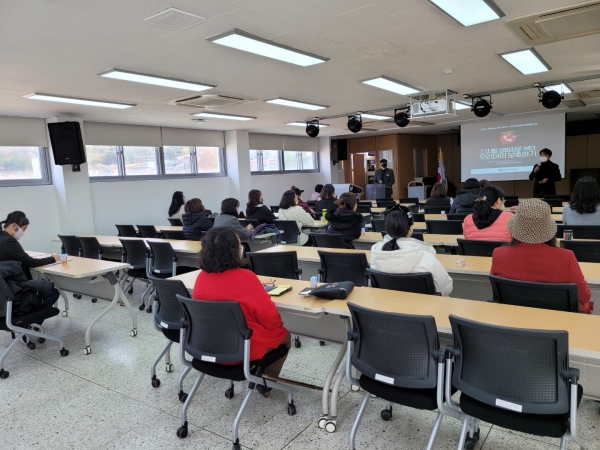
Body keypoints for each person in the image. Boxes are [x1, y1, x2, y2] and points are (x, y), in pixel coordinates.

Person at [192, 227, 290, 396]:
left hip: (208, 346)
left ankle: (257, 373)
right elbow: (269, 317)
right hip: (240, 350)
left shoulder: (201, 277)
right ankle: (263, 381)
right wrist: (276, 328)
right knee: (284, 337)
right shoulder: (246, 277)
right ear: (234, 251)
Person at [491, 198, 593, 314]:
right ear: (548, 228)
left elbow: (495, 288)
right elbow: (584, 296)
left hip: (514, 317)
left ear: (516, 228)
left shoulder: (499, 254)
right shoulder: (566, 257)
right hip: (559, 321)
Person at [370, 205, 453, 296]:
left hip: (389, 306)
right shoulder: (427, 257)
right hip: (424, 308)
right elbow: (447, 288)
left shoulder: (375, 254)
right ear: (411, 229)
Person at [0, 211, 61, 308]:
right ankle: (33, 319)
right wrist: (53, 258)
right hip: (14, 288)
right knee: (53, 292)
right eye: (24, 229)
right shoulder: (9, 241)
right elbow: (31, 262)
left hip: (4, 288)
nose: (23, 232)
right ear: (14, 226)